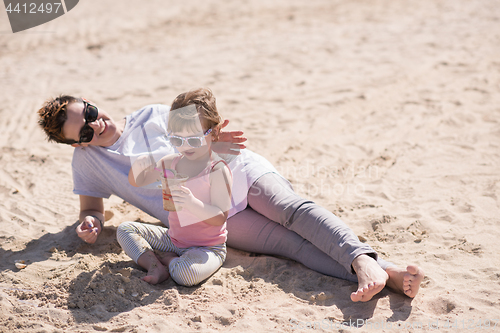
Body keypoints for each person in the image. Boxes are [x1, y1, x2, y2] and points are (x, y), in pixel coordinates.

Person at [37, 90, 424, 302]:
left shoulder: (152, 114)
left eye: (88, 112)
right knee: (289, 246)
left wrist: (209, 144)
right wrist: (90, 221)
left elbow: (199, 129)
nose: (94, 124)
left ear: (90, 101)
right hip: (208, 215)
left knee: (292, 211)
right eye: (82, 132)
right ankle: (384, 272)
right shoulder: (88, 163)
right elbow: (94, 206)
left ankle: (362, 258)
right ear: (74, 144)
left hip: (235, 171)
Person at [117, 89, 233, 286]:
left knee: (185, 276)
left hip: (207, 248)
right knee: (124, 230)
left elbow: (219, 217)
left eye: (194, 139)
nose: (185, 146)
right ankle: (155, 264)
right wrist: (140, 164)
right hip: (174, 239)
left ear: (213, 133)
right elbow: (138, 180)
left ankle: (168, 260)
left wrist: (191, 203)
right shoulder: (170, 163)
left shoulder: (217, 169)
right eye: (177, 140)